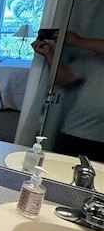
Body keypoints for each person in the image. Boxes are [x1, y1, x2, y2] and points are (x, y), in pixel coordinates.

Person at [31, 30, 104, 163]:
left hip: (100, 138)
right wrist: (49, 54)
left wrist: (78, 41)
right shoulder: (93, 57)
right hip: (75, 130)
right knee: (57, 175)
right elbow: (65, 79)